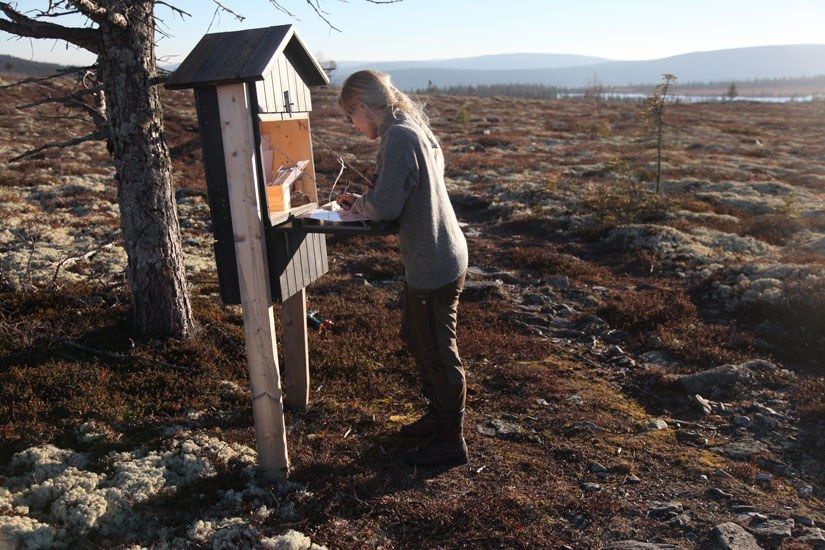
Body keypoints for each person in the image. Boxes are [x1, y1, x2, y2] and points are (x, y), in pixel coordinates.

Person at [336, 70, 469, 467]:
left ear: (361, 106)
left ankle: (450, 440)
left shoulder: (398, 136)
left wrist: (358, 204)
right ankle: (437, 416)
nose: (354, 126)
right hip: (436, 252)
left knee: (439, 352)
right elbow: (406, 195)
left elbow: (384, 206)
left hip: (434, 261)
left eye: (351, 117)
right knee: (416, 335)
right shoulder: (410, 127)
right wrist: (367, 200)